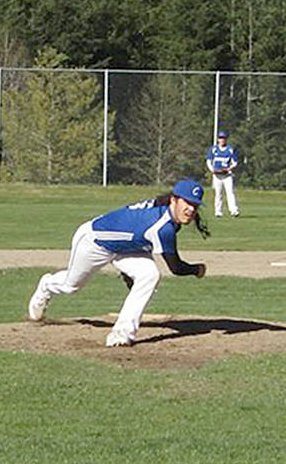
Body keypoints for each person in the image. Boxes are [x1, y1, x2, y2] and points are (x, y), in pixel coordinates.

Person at [27, 180, 209, 347]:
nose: (191, 209)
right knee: (71, 286)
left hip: (126, 247)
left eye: (195, 205)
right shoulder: (163, 228)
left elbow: (137, 234)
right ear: (174, 200)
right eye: (187, 203)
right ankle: (46, 286)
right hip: (94, 242)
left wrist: (130, 274)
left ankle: (122, 334)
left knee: (149, 275)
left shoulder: (164, 211)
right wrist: (196, 269)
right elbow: (176, 268)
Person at [206, 129, 240, 217]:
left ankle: (233, 210)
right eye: (220, 138)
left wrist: (229, 168)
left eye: (223, 138)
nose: (222, 140)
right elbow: (209, 161)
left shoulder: (230, 150)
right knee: (218, 193)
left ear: (226, 139)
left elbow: (235, 162)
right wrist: (212, 170)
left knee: (230, 192)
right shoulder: (213, 149)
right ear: (218, 139)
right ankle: (218, 211)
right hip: (217, 175)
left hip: (227, 175)